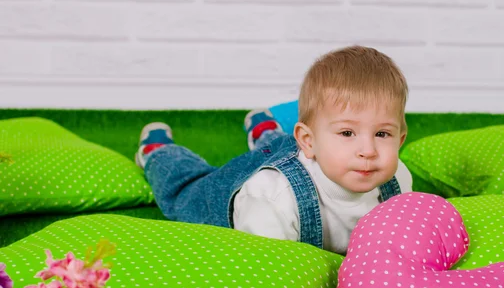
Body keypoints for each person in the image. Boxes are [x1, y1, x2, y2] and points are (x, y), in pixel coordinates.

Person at [135, 46, 413, 254]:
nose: (368, 150)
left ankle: (264, 128)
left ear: (399, 140)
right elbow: (267, 275)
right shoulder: (271, 200)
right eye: (347, 133)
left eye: (381, 133)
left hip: (299, 151)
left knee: (275, 144)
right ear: (308, 140)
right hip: (247, 188)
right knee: (189, 190)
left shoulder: (398, 179)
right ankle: (158, 152)